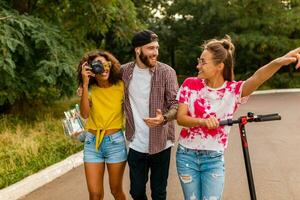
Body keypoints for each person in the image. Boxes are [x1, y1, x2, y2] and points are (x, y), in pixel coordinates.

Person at [176, 36, 300, 200]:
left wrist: (279, 61)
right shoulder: (190, 84)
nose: (198, 66)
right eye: (199, 61)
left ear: (219, 66)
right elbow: (181, 118)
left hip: (213, 160)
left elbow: (258, 77)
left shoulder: (233, 91)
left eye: (203, 62)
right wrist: (202, 121)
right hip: (187, 156)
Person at [121, 30, 179, 200]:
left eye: (157, 48)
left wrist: (165, 118)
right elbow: (103, 82)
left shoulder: (167, 72)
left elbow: (176, 103)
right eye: (150, 48)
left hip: (161, 142)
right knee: (136, 192)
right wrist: (84, 87)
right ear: (138, 50)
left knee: (159, 193)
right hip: (135, 143)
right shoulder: (124, 72)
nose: (155, 52)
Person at [78, 50, 127, 200]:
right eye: (99, 65)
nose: (104, 68)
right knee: (95, 194)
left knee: (116, 190)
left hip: (115, 143)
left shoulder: (121, 86)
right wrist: (85, 85)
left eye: (107, 64)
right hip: (92, 143)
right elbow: (85, 114)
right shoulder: (89, 89)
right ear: (91, 69)